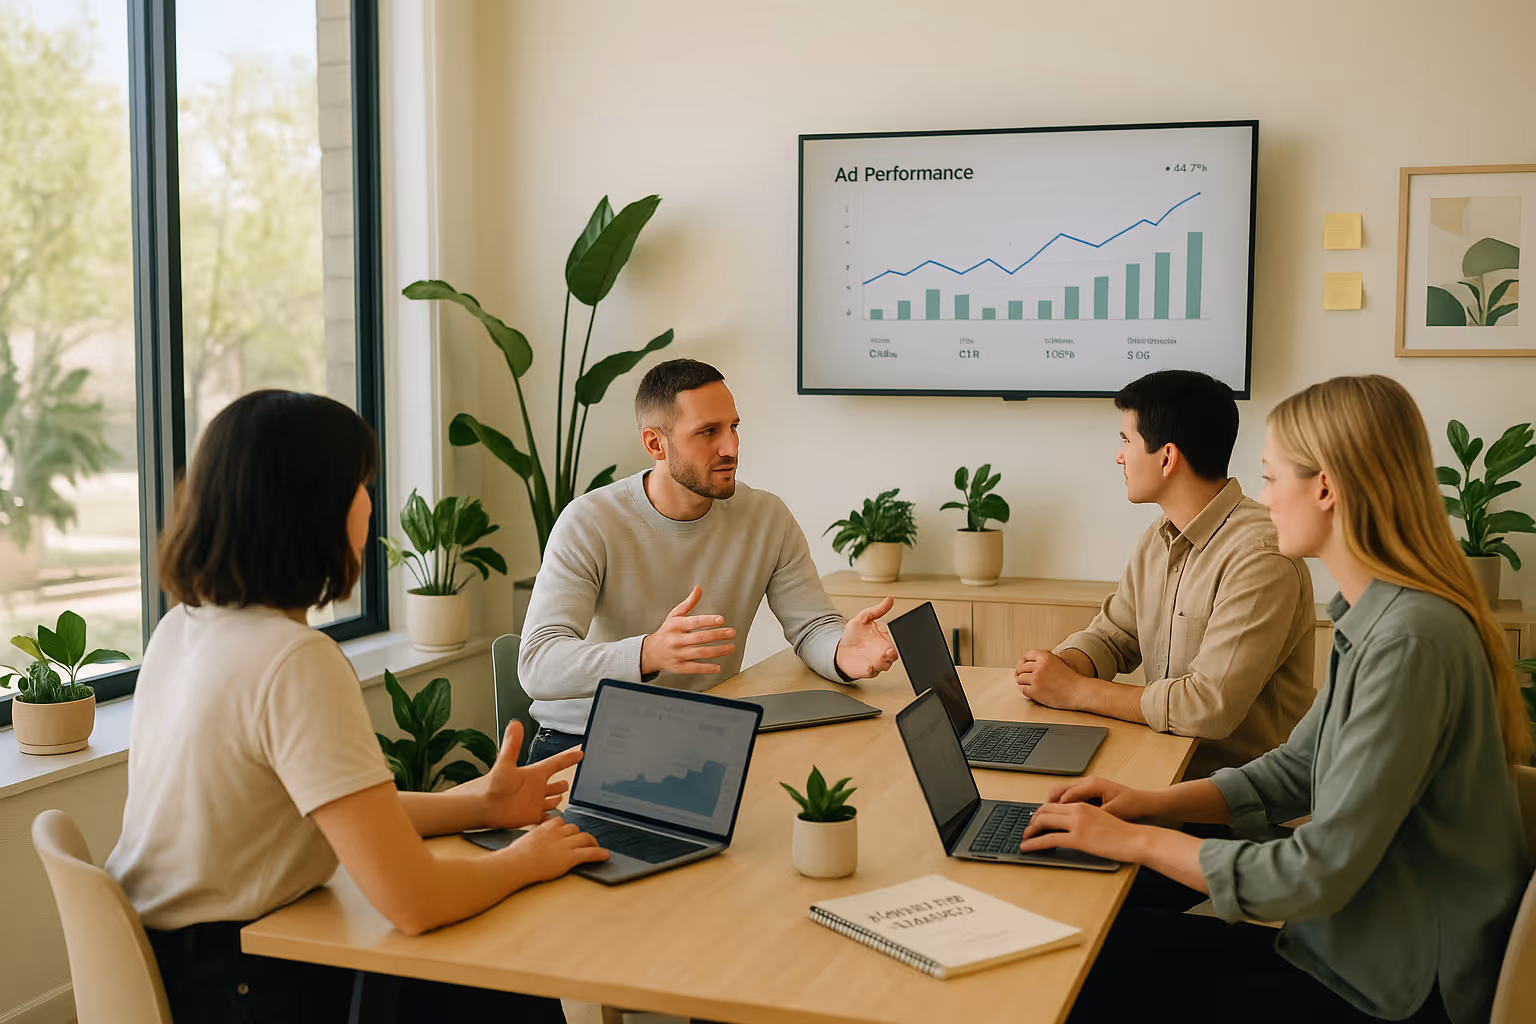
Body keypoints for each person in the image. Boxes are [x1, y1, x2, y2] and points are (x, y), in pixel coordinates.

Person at [1017, 375, 1532, 1024]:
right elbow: (1298, 768)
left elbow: (1316, 871)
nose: (1260, 499)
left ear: (1325, 488)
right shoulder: (1376, 618)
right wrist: (1148, 804)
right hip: (1347, 943)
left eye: (1268, 477)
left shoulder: (1410, 641)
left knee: (1089, 977)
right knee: (1096, 945)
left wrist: (1137, 841)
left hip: (1396, 984)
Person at [106, 391, 608, 1023]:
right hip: (245, 984)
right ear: (314, 509)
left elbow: (331, 808)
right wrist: (523, 860)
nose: (371, 503)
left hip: (178, 963)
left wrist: (478, 805)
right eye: (361, 484)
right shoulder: (295, 661)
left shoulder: (183, 627)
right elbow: (415, 902)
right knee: (508, 966)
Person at [520, 358, 898, 758]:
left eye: (733, 427)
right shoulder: (589, 521)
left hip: (703, 732)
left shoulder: (766, 517)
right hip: (586, 738)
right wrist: (649, 652)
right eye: (707, 432)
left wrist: (841, 652)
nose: (730, 448)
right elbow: (539, 662)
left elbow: (812, 627)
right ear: (655, 444)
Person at [1015, 369, 1315, 779]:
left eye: (1126, 441)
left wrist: (1074, 691)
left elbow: (1207, 707)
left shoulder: (1261, 558)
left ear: (1167, 457)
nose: (1119, 456)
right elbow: (1114, 637)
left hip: (1239, 809)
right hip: (1161, 768)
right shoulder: (1158, 538)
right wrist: (1061, 666)